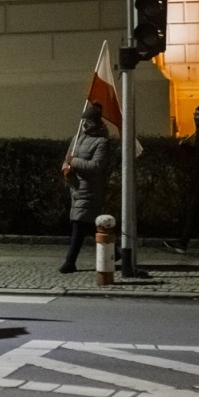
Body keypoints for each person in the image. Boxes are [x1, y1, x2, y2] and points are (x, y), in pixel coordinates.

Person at [59, 101, 112, 273]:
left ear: (94, 122)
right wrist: (66, 168)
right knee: (87, 225)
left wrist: (74, 162)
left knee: (78, 224)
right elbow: (67, 157)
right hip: (75, 188)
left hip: (90, 189)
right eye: (83, 121)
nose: (84, 124)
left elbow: (96, 165)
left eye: (87, 121)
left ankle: (70, 262)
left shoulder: (101, 142)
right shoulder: (77, 138)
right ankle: (116, 254)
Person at [164, 104, 199, 253]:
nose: (194, 117)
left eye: (198, 114)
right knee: (197, 209)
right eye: (194, 114)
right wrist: (187, 148)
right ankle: (183, 242)